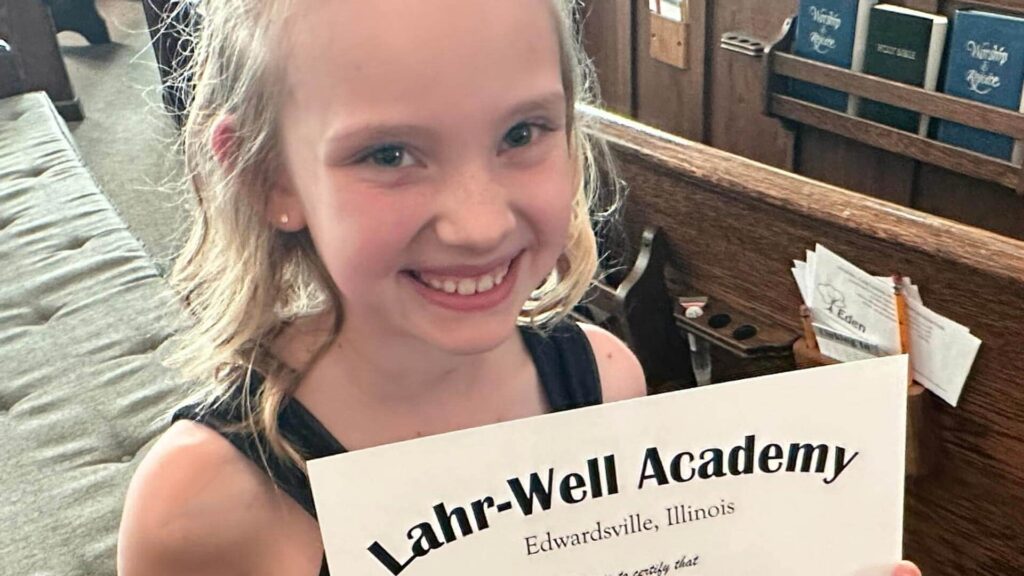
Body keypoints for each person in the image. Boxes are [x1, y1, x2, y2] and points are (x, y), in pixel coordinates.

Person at [116, 2, 923, 575]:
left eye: (522, 134)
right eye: (389, 154)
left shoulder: (606, 381)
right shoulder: (204, 507)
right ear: (264, 175)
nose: (477, 223)